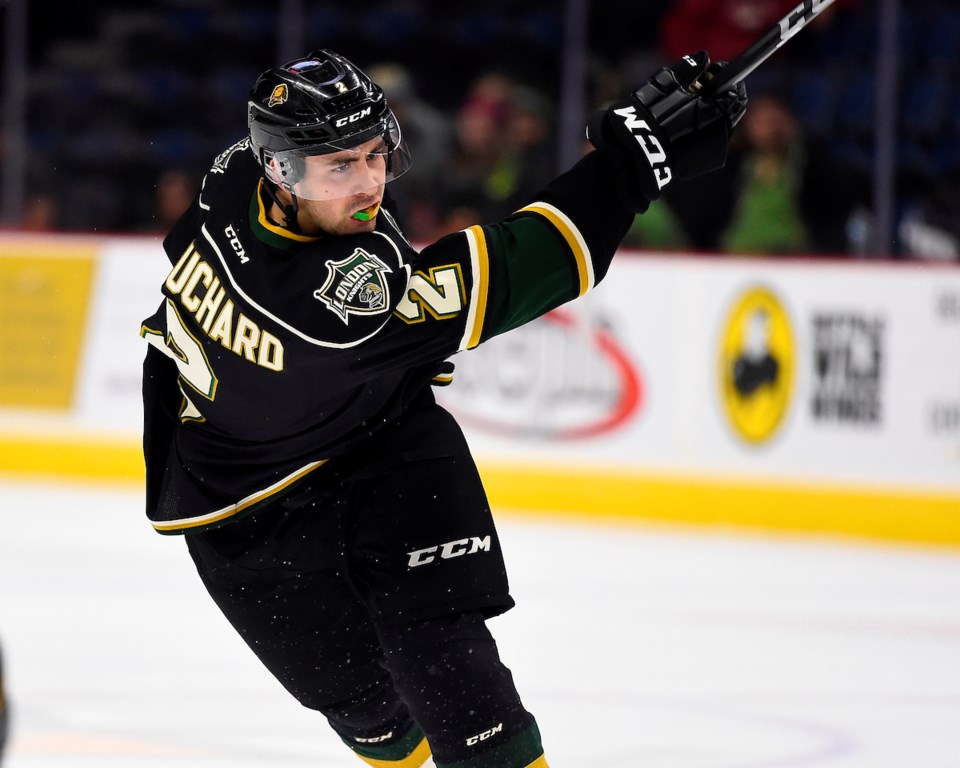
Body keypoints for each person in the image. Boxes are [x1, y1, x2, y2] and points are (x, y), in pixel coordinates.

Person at [140, 48, 746, 768]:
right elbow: (531, 261)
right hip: (246, 509)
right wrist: (633, 163)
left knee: (458, 684)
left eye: (374, 156)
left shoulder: (234, 171)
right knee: (376, 721)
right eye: (342, 168)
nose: (369, 186)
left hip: (385, 448)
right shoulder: (337, 307)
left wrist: (631, 154)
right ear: (281, 171)